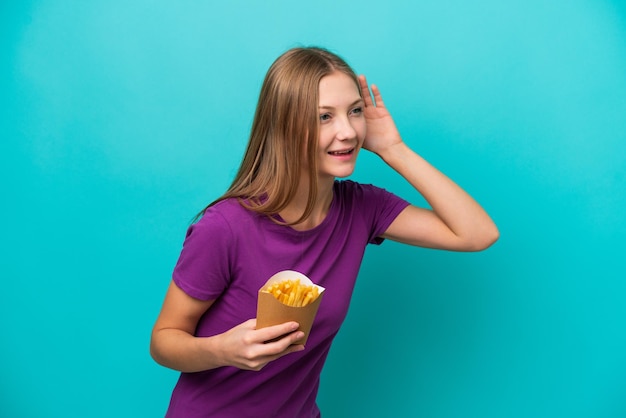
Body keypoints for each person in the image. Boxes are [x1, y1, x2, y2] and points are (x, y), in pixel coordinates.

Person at [150, 46, 499, 417]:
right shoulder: (226, 227)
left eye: (355, 112)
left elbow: (477, 234)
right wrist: (221, 350)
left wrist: (394, 149)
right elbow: (163, 341)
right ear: (284, 125)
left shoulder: (363, 208)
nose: (347, 132)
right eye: (323, 117)